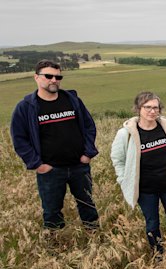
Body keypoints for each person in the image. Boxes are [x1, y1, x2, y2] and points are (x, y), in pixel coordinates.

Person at [10, 59, 99, 230]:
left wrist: (87, 153)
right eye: (49, 76)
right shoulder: (26, 107)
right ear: (36, 77)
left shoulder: (72, 100)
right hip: (50, 170)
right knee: (51, 210)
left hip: (79, 166)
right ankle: (55, 245)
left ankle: (94, 237)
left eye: (58, 77)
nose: (54, 80)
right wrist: (37, 165)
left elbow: (89, 126)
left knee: (87, 203)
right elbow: (19, 139)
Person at [111, 92, 166, 255]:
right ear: (138, 109)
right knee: (152, 222)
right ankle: (158, 254)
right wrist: (123, 179)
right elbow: (117, 159)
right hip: (145, 189)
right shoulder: (126, 134)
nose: (152, 111)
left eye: (155, 107)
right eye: (147, 107)